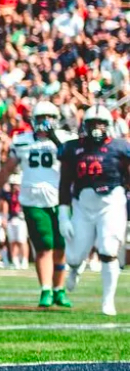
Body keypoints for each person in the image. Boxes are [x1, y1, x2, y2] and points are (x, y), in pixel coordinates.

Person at [0, 101, 74, 308]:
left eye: (48, 118)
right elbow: (9, 167)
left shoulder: (65, 138)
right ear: (33, 120)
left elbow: (73, 160)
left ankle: (59, 289)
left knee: (61, 247)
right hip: (33, 198)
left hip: (61, 197)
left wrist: (55, 139)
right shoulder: (22, 141)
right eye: (40, 119)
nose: (45, 123)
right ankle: (46, 289)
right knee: (44, 247)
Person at [58, 105, 129, 317]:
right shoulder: (72, 148)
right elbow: (65, 182)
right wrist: (63, 214)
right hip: (82, 205)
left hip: (111, 203)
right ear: (84, 126)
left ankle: (108, 301)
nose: (96, 128)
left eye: (100, 123)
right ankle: (75, 267)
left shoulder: (120, 147)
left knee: (108, 250)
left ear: (108, 126)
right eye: (92, 124)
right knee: (74, 255)